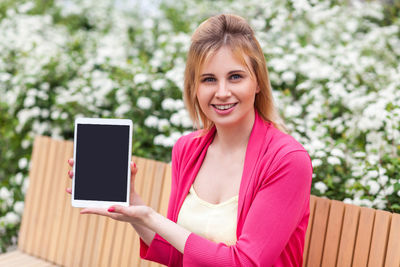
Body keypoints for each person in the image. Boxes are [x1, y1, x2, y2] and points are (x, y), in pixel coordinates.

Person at [67, 13, 312, 267]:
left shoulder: (287, 160)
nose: (222, 92)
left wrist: (151, 217)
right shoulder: (188, 150)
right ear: (194, 88)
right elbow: (176, 256)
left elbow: (245, 263)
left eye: (235, 77)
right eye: (208, 80)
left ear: (258, 82)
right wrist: (133, 206)